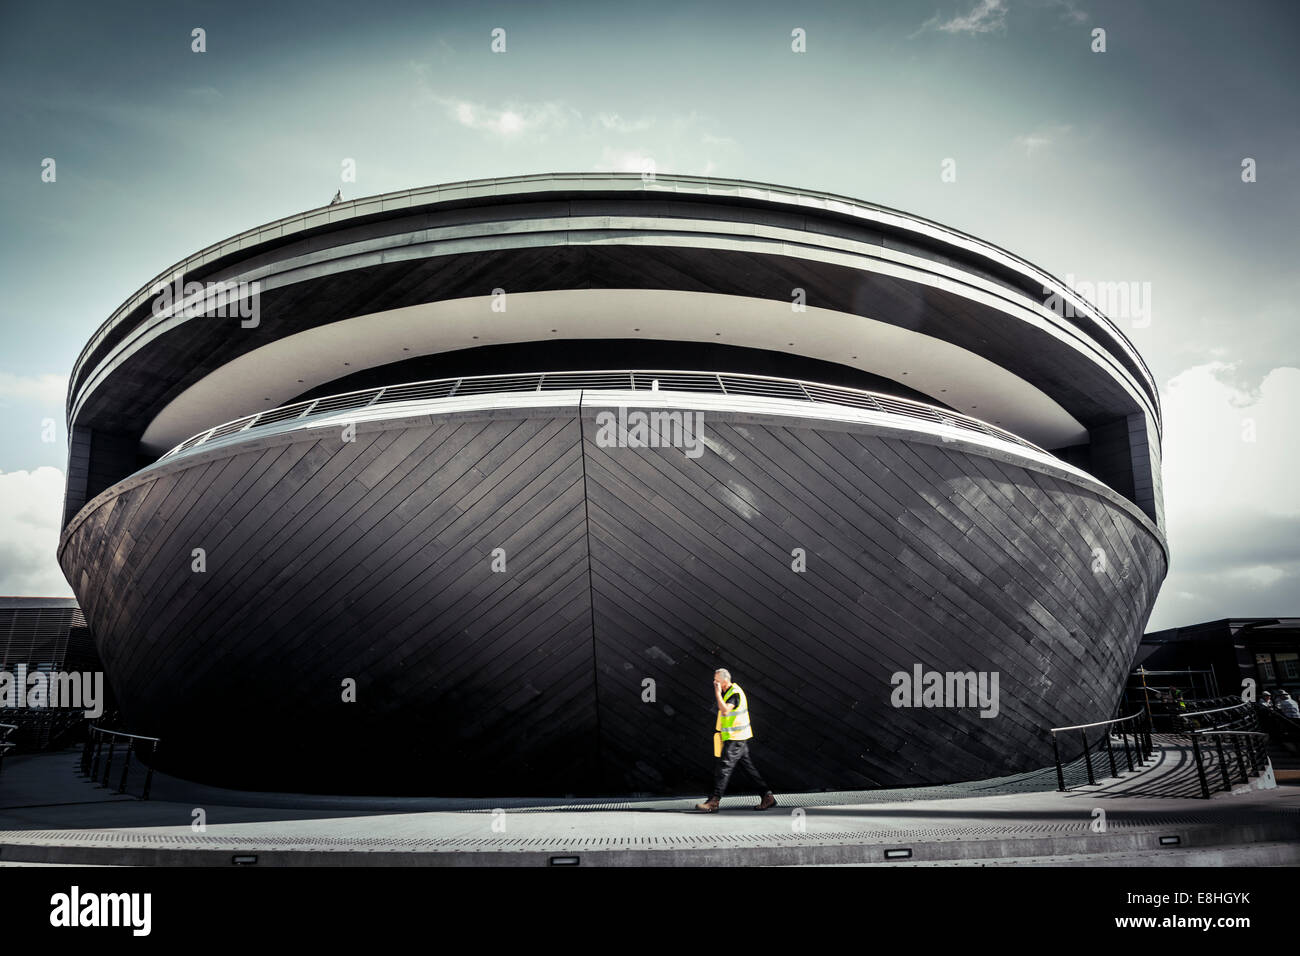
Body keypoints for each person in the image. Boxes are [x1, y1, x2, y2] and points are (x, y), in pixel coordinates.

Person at [695, 668, 777, 812]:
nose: (715, 683)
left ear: (725, 680)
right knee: (748, 768)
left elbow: (725, 710)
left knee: (723, 768)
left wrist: (717, 693)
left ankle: (714, 802)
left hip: (736, 737)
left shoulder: (734, 693)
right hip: (737, 737)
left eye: (717, 680)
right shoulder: (729, 692)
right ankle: (767, 796)